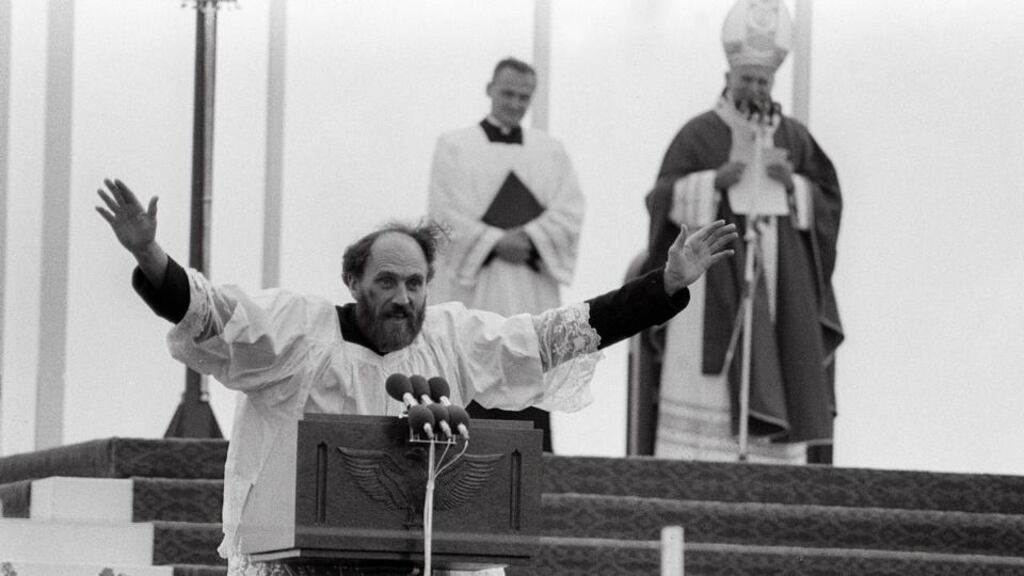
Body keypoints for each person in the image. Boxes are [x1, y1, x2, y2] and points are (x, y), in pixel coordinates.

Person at [95, 178, 736, 575]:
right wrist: (150, 255)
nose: (403, 298)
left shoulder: (452, 340)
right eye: (386, 282)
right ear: (353, 282)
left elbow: (553, 336)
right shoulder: (296, 332)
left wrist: (666, 286)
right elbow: (208, 312)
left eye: (415, 283)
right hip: (292, 563)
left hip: (413, 557)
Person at [637, 0, 843, 464]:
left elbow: (828, 197)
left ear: (773, 83)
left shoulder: (792, 135)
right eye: (746, 79)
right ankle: (696, 462)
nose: (754, 88)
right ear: (729, 77)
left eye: (763, 80)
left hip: (776, 276)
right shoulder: (700, 133)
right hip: (711, 279)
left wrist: (796, 187)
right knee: (706, 385)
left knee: (777, 361)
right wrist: (712, 183)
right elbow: (659, 198)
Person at [427, 57, 585, 452]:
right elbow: (443, 216)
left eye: (524, 96)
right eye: (508, 93)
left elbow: (570, 211)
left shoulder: (550, 151)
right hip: (475, 289)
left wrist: (529, 236)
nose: (515, 104)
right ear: (490, 90)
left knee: (529, 370)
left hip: (529, 287)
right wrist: (495, 241)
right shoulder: (454, 146)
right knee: (473, 363)